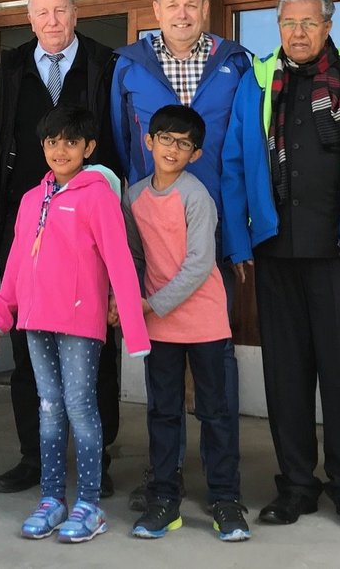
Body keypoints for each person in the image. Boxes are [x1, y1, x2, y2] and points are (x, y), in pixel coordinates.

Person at [220, 0, 340, 531]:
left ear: (329, 27)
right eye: (288, 23)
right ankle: (295, 484)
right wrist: (240, 243)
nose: (297, 33)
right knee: (284, 377)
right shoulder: (259, 81)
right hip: (275, 251)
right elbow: (236, 163)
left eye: (309, 23)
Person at [0, 105, 149, 544]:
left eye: (71, 142)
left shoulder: (98, 196)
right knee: (49, 408)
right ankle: (53, 499)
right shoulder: (33, 199)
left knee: (80, 408)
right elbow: (16, 263)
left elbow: (120, 261)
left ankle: (89, 504)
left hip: (79, 322)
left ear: (89, 148)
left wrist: (132, 324)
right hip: (35, 321)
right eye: (52, 142)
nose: (60, 150)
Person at [110, 0, 250, 508]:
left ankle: (223, 490)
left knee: (216, 376)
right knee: (162, 383)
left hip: (213, 232)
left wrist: (237, 239)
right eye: (172, 5)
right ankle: (162, 481)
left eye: (191, 4)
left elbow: (242, 149)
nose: (182, 14)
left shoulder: (234, 64)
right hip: (156, 234)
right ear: (156, 8)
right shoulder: (129, 66)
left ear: (205, 6)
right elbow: (125, 150)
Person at [0, 0, 123, 496]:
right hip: (30, 229)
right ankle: (34, 456)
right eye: (41, 13)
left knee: (95, 352)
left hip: (87, 230)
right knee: (27, 349)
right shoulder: (12, 68)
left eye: (60, 11)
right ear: (29, 18)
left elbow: (119, 141)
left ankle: (98, 458)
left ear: (75, 12)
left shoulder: (105, 64)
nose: (52, 22)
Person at [123, 105, 249, 543]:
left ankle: (225, 500)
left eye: (184, 143)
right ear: (149, 142)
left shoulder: (196, 195)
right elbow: (135, 256)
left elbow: (199, 264)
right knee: (162, 412)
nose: (172, 148)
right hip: (159, 324)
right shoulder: (134, 196)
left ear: (195, 154)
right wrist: (132, 300)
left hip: (204, 319)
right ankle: (163, 500)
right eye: (166, 139)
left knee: (215, 413)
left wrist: (149, 304)